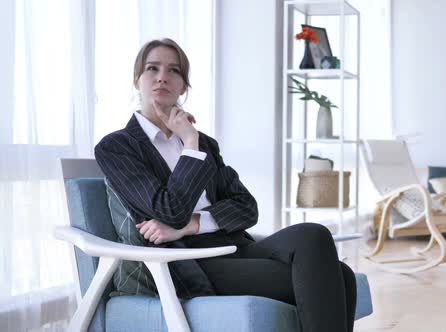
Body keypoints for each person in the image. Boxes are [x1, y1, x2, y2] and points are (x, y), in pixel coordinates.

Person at [94, 38, 356, 332]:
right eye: (152, 68)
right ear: (137, 80)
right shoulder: (117, 147)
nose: (162, 77)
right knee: (336, 276)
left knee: (315, 235)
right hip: (189, 261)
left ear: (183, 86)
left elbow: (246, 207)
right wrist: (190, 145)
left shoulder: (207, 143)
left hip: (232, 245)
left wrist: (191, 224)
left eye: (174, 71)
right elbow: (168, 210)